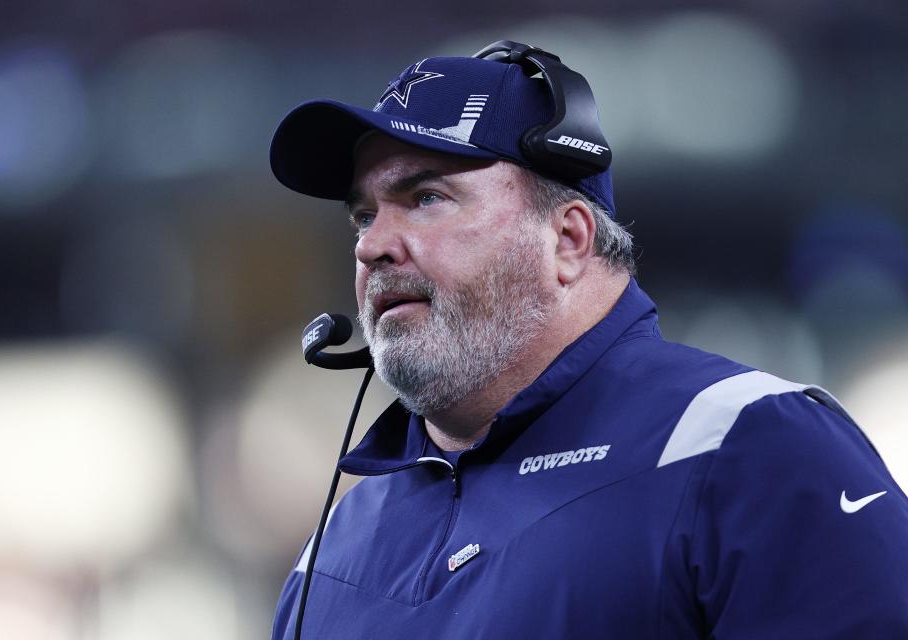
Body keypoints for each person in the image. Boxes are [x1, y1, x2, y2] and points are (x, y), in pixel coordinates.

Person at [267, 42, 908, 639]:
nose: (372, 245)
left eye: (428, 197)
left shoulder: (750, 449)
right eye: (363, 214)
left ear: (568, 241)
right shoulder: (333, 548)